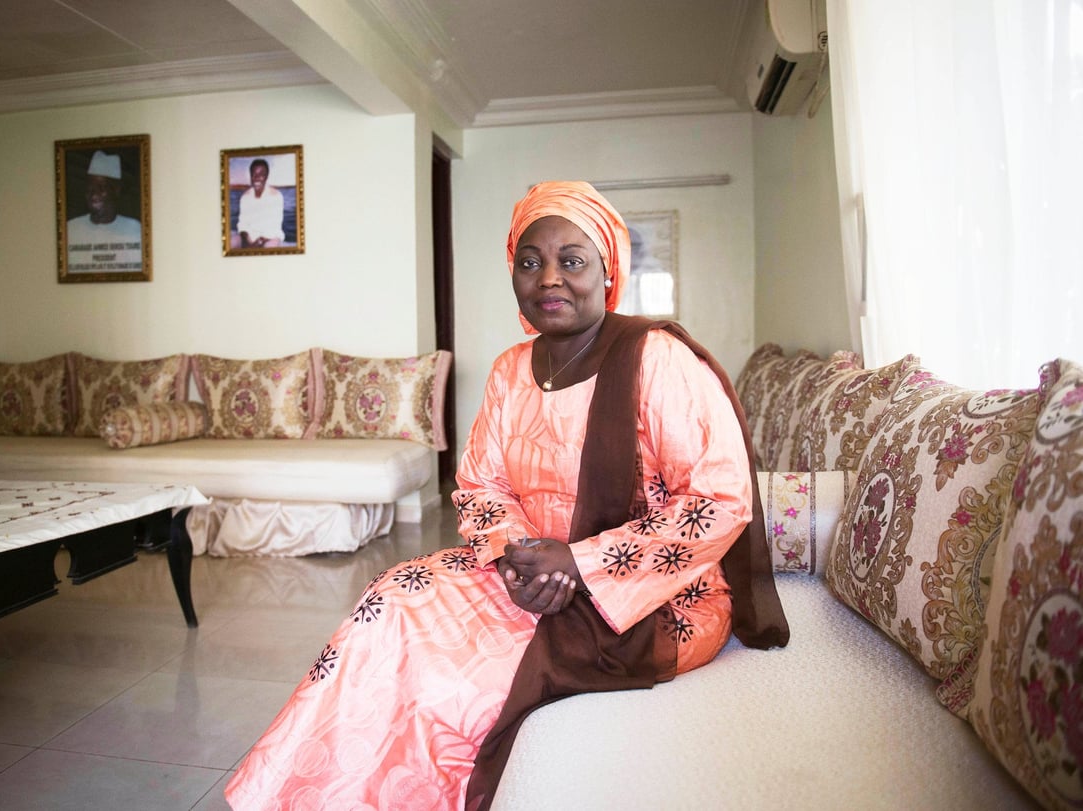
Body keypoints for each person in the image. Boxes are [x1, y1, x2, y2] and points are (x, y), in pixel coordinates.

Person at [225, 181, 787, 811]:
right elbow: (480, 484)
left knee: (447, 682)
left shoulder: (657, 358)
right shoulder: (509, 369)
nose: (550, 278)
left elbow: (720, 499)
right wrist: (521, 558)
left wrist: (578, 563)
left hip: (655, 599)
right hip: (524, 570)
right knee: (389, 601)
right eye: (530, 261)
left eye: (572, 260)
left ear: (607, 272)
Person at [65, 150, 143, 272]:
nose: (93, 195)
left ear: (116, 190)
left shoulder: (135, 230)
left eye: (101, 188)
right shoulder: (71, 228)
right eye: (90, 188)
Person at [236, 159, 285, 247]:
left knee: (268, 248)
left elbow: (275, 227)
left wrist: (259, 242)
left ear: (266, 176)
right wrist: (245, 240)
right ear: (250, 176)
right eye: (254, 174)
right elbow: (242, 224)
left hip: (270, 238)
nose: (257, 177)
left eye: (261, 174)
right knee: (231, 242)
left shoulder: (276, 196)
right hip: (250, 238)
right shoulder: (245, 197)